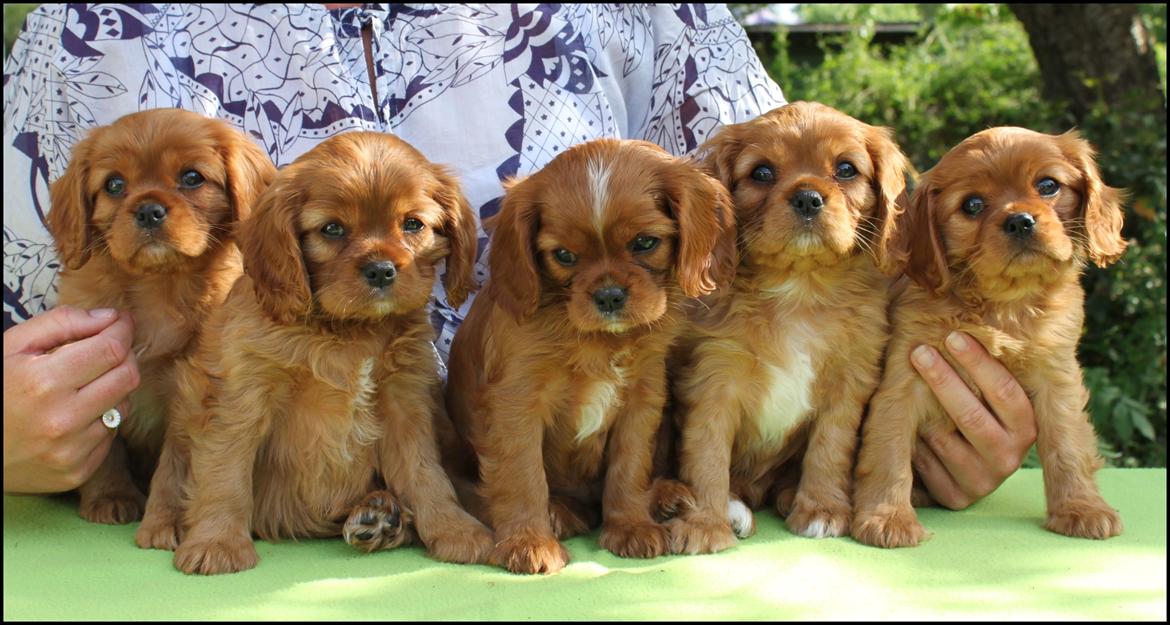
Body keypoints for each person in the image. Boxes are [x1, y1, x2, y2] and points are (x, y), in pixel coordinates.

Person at [2, 3, 1033, 508]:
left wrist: (933, 408)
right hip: (205, 531)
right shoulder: (94, 25)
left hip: (616, 535)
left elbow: (814, 220)